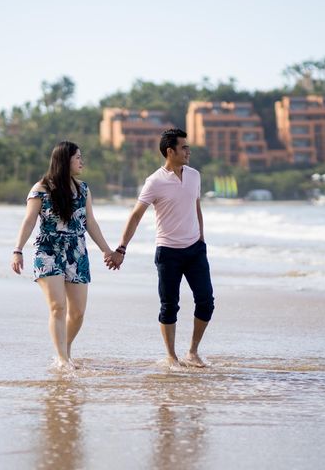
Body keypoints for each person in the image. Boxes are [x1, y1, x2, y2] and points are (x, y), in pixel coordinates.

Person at [106, 128, 215, 368]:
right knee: (169, 305)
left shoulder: (195, 176)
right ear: (170, 151)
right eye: (184, 147)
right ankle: (171, 357)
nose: (188, 151)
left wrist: (202, 239)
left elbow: (197, 208)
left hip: (195, 250)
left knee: (206, 301)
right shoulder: (154, 181)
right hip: (168, 253)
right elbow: (135, 215)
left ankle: (193, 352)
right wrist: (121, 248)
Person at [11, 141, 115, 369]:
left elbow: (90, 222)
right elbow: (29, 221)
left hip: (76, 252)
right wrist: (18, 249)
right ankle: (62, 359)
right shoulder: (40, 189)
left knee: (77, 313)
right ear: (64, 160)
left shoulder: (83, 189)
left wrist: (107, 250)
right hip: (48, 250)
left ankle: (64, 350)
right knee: (58, 306)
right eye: (78, 157)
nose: (82, 161)